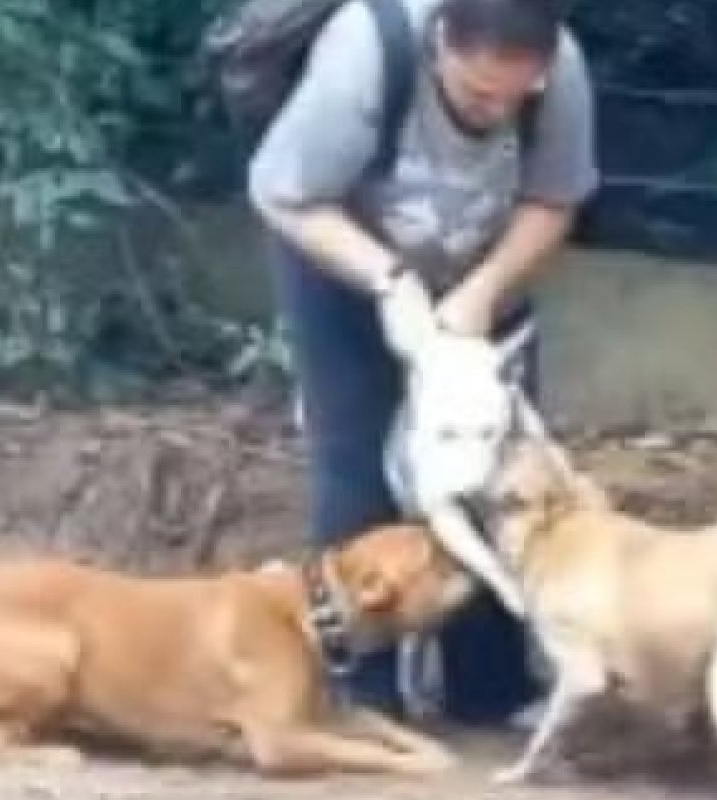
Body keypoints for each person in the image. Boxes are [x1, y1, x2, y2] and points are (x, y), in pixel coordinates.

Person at [246, 0, 598, 724]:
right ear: (440, 45)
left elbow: (554, 199)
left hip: (481, 269)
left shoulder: (560, 70)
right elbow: (282, 192)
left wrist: (484, 293)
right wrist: (389, 280)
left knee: (495, 465)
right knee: (358, 458)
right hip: (343, 260)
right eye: (477, 95)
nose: (499, 112)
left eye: (516, 96)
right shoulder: (366, 55)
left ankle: (492, 687)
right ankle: (356, 686)